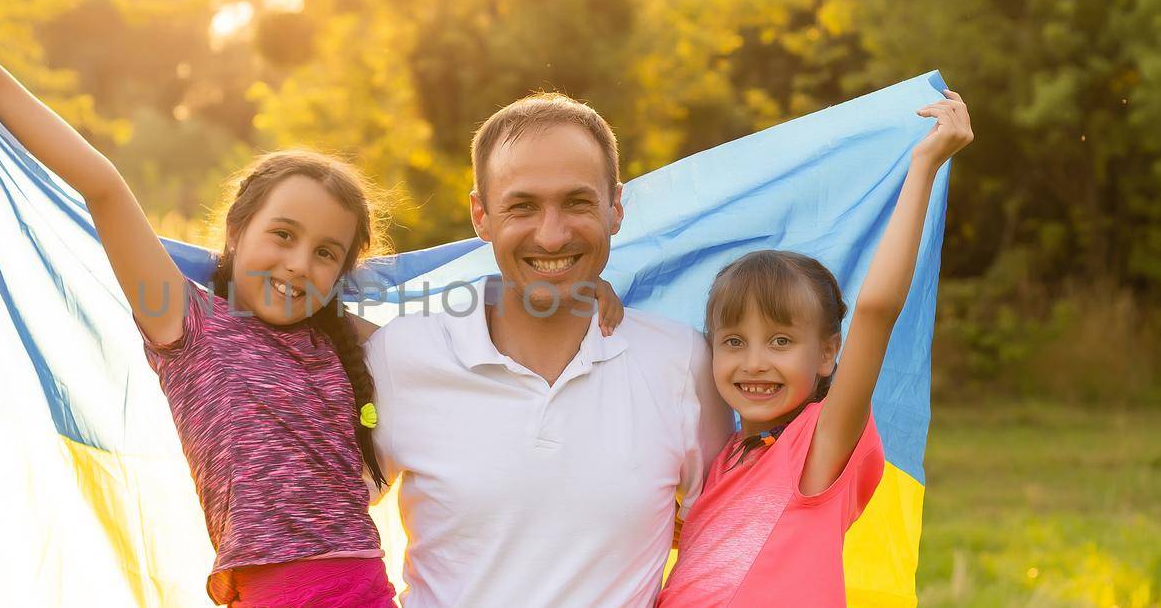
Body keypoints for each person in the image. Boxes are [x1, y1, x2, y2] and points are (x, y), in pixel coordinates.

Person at [0, 0, 398, 606]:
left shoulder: (342, 341)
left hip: (368, 589)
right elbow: (103, 186)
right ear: (236, 232)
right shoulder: (190, 323)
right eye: (282, 235)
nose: (299, 264)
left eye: (327, 253)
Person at [362, 93, 736, 607]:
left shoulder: (686, 364)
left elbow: (720, 555)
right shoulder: (400, 354)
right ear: (481, 215)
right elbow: (312, 523)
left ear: (616, 208)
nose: (553, 235)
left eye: (577, 202)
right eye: (522, 206)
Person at [657, 91, 973, 607]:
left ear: (828, 355)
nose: (755, 361)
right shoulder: (719, 461)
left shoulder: (818, 445)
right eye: (733, 342)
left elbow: (875, 310)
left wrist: (923, 168)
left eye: (781, 341)